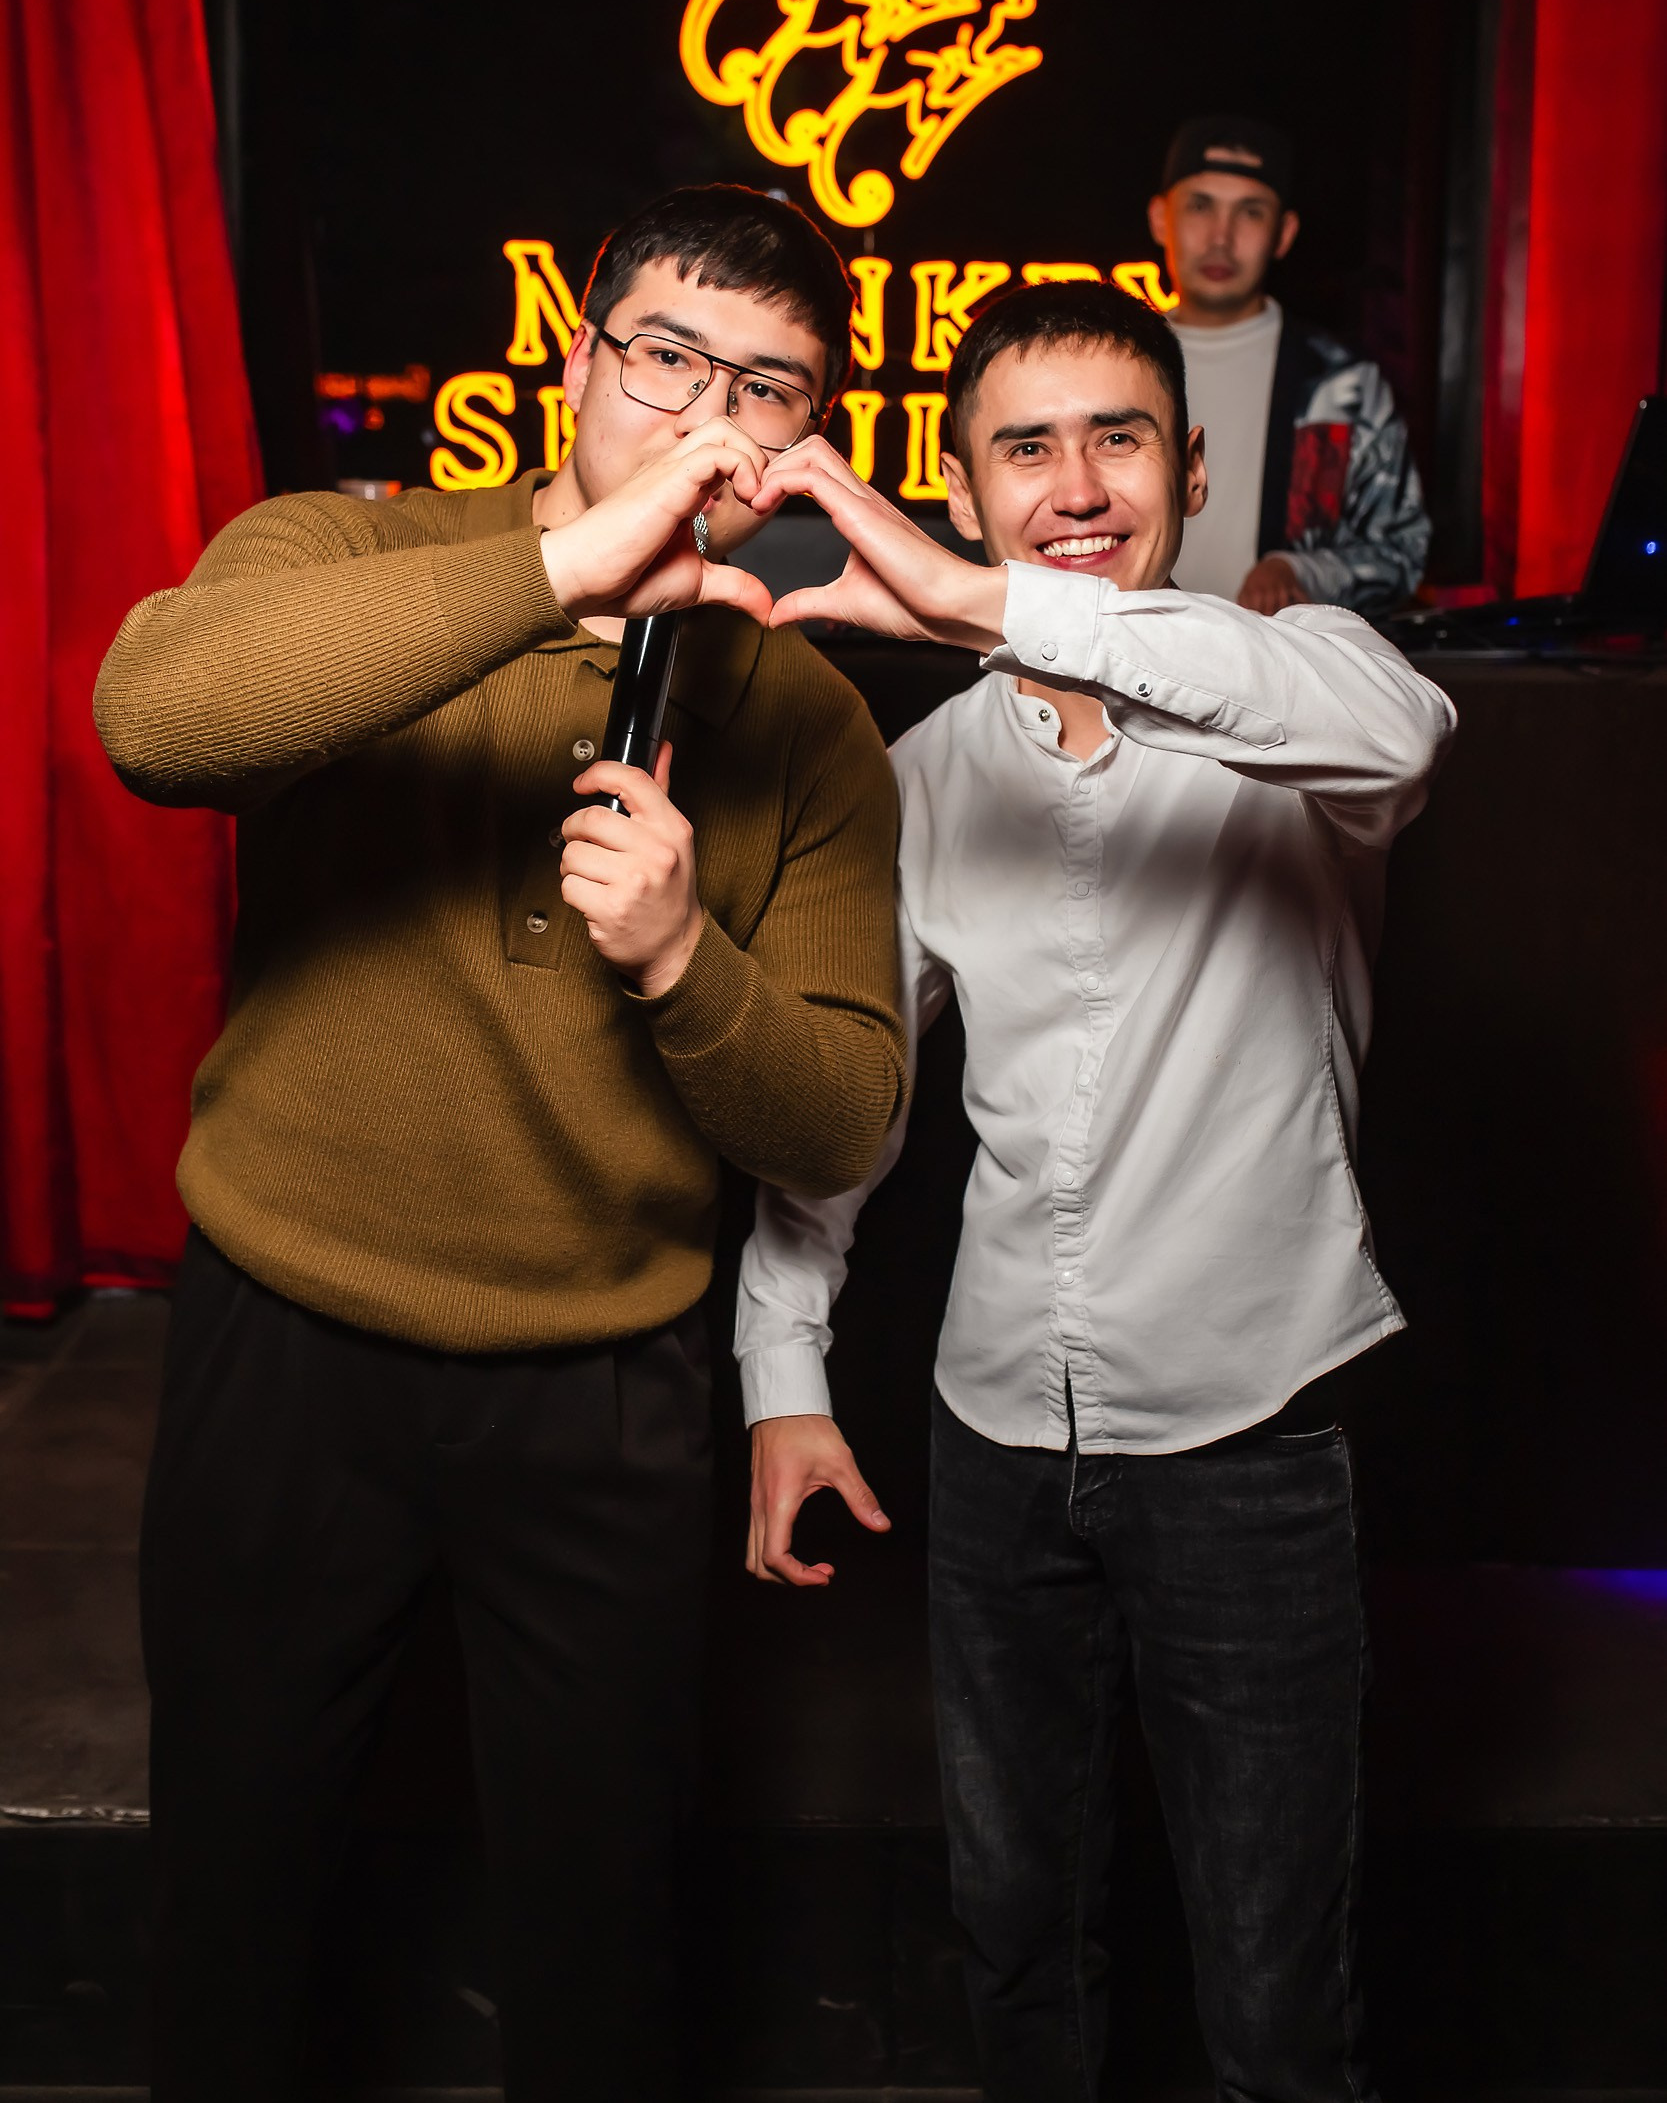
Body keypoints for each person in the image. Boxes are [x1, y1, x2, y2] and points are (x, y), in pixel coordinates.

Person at [93, 184, 907, 2102]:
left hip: (600, 1388)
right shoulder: (350, 549)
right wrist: (567, 576)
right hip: (288, 1350)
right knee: (235, 1909)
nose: (707, 423)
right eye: (668, 362)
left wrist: (686, 962)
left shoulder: (806, 723)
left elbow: (841, 1117)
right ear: (578, 362)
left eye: (766, 392)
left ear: (810, 437)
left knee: (600, 1952)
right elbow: (152, 715)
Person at [735, 281, 1454, 2103]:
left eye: (1115, 440)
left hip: (1247, 1431)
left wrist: (974, 605)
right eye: (1024, 449)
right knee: (1017, 1949)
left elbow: (1406, 741)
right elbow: (852, 1102)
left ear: (1189, 470)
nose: (1073, 487)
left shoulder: (1308, 695)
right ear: (961, 483)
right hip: (991, 1437)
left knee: (1274, 2002)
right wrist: (784, 1373)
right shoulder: (921, 778)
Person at [1147, 112, 1431, 613]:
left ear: (1284, 233)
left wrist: (1299, 570)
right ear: (1160, 219)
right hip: (1125, 654)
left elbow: (1402, 551)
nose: (1221, 236)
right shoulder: (1115, 370)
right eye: (1200, 206)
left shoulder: (1342, 384)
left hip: (1279, 657)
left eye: (1251, 212)